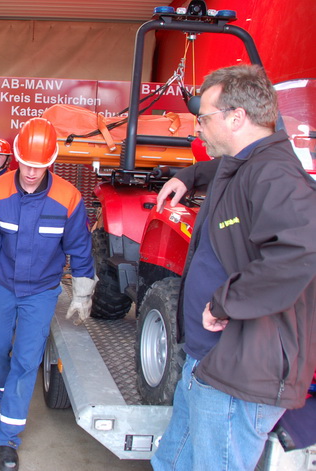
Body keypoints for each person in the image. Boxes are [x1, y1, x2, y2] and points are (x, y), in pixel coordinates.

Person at [151, 65, 316, 471]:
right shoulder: (246, 163)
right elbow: (227, 168)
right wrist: (191, 175)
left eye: (204, 118)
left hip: (237, 374)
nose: (198, 127)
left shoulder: (275, 175)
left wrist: (227, 302)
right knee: (171, 462)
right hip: (207, 362)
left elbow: (300, 251)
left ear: (237, 117)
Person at [0, 117, 96, 471]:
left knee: (26, 361)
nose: (30, 172)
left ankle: (7, 437)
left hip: (41, 291)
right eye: (25, 163)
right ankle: (0, 398)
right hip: (2, 286)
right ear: (16, 157)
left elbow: (80, 249)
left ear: (50, 161)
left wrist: (82, 295)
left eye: (38, 166)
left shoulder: (68, 199)